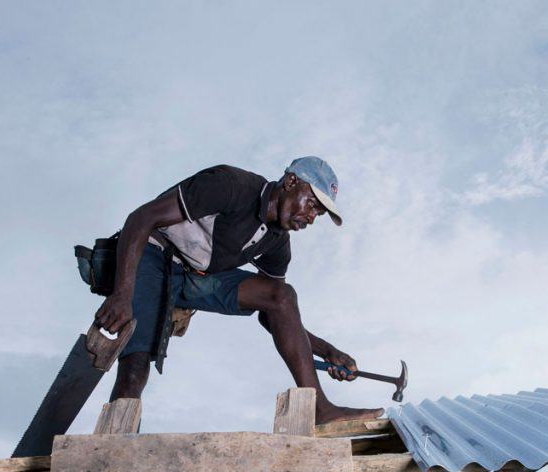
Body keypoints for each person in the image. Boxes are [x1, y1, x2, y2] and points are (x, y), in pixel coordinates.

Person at [94, 157, 384, 425]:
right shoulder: (231, 185)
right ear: (291, 182)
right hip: (153, 256)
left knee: (282, 296)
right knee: (135, 368)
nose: (310, 217)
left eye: (318, 214)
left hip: (195, 277)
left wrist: (327, 350)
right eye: (311, 204)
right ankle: (113, 449)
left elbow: (275, 315)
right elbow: (140, 218)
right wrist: (122, 293)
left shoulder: (277, 243)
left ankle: (320, 409)